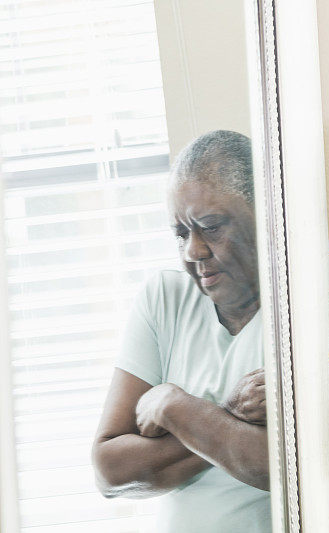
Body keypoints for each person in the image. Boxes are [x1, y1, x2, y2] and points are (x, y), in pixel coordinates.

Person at [92, 130, 271, 533]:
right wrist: (226, 414)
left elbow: (277, 460)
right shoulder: (164, 299)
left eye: (210, 226)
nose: (193, 250)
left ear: (266, 212)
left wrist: (177, 409)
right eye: (181, 233)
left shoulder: (312, 304)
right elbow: (110, 469)